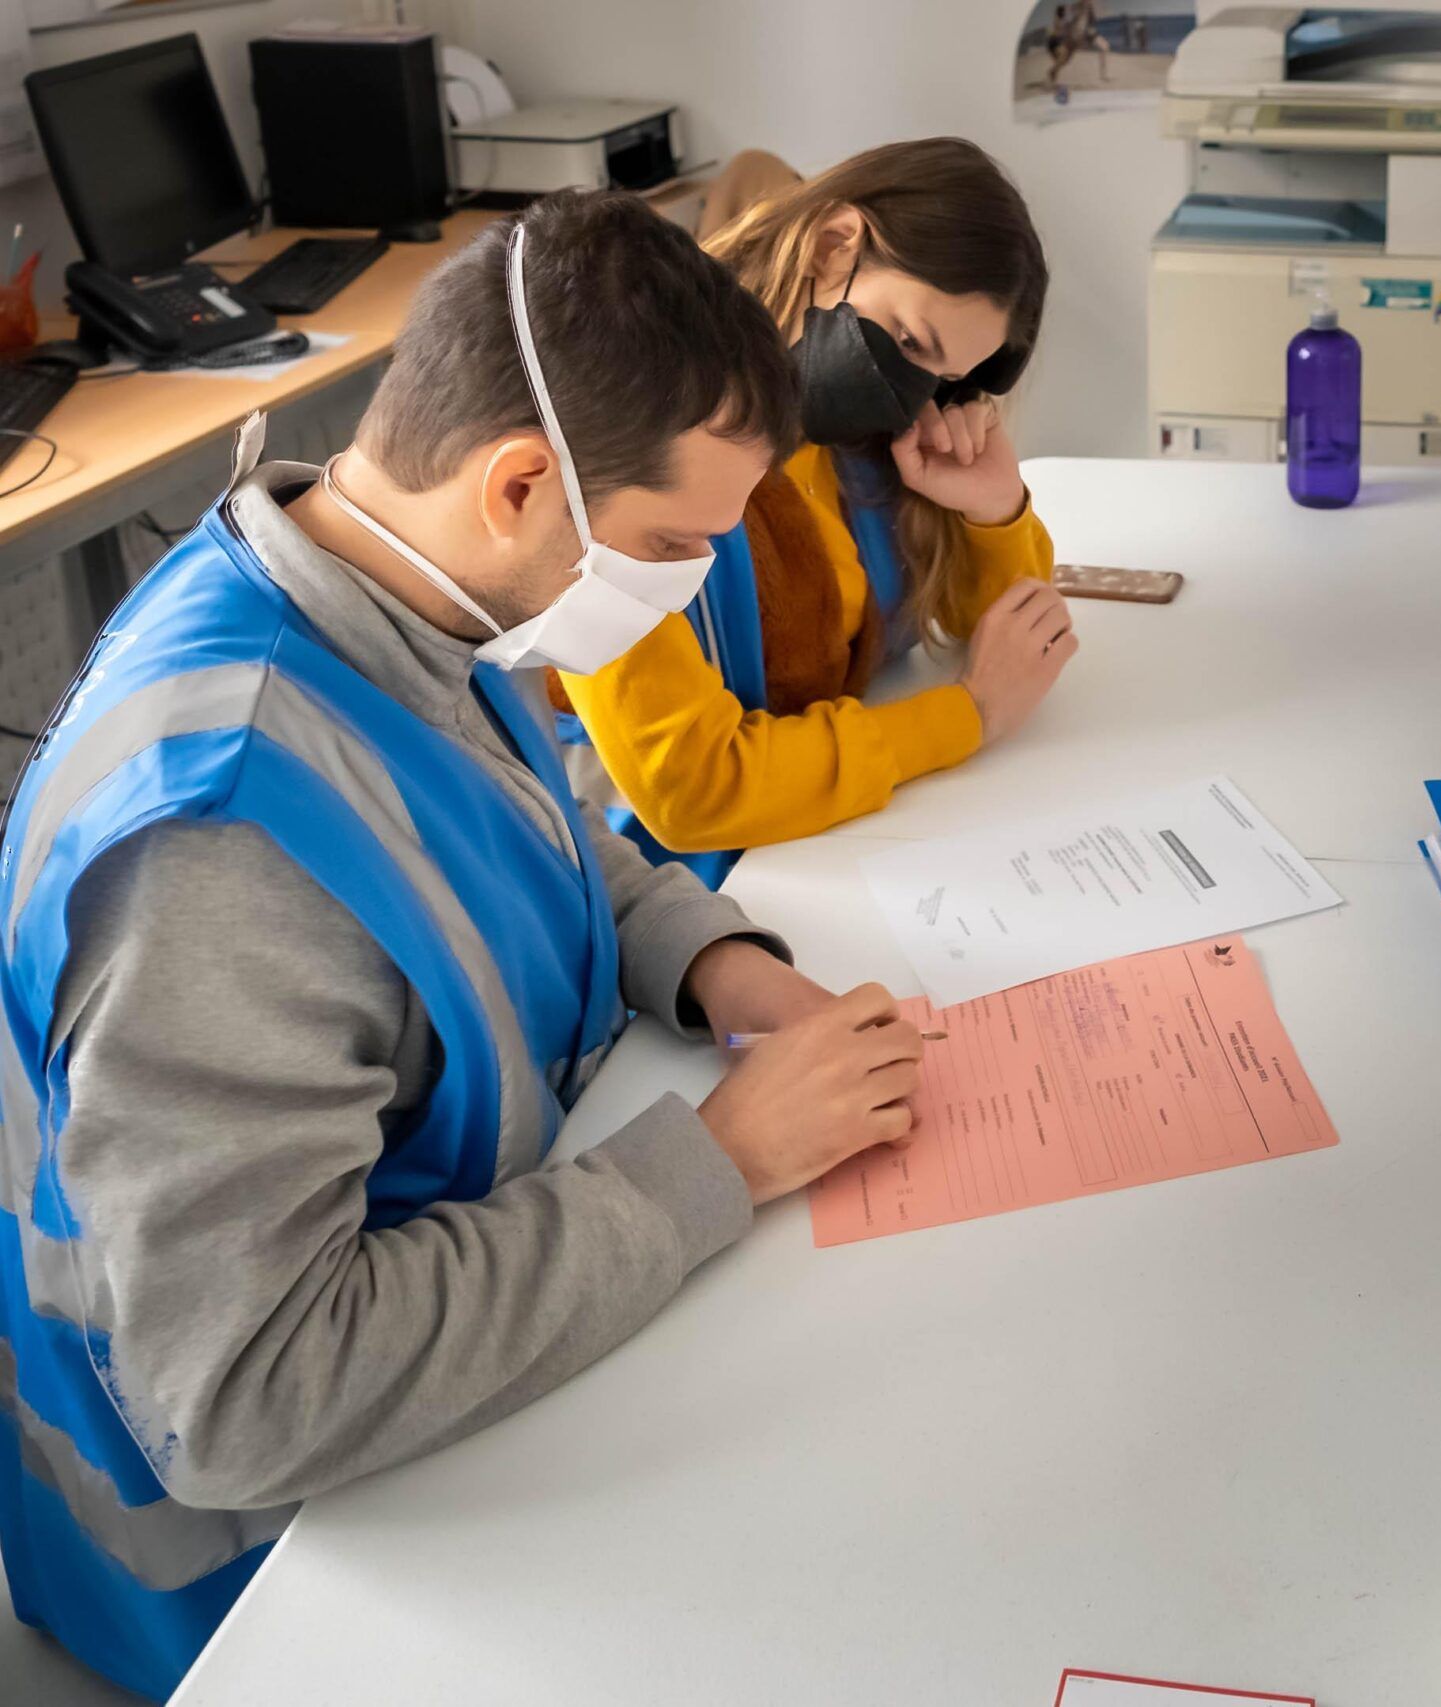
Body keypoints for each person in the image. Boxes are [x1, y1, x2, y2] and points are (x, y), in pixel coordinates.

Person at [0, 192, 929, 1701]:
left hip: (458, 1361)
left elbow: (544, 829)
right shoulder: (218, 847)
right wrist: (726, 1160)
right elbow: (252, 1390)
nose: (687, 582)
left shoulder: (391, 586)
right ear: (515, 485)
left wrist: (715, 959)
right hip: (270, 1577)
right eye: (670, 543)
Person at [554, 138, 1068, 886]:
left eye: (945, 378)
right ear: (833, 247)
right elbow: (692, 791)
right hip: (665, 890)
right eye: (908, 342)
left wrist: (993, 512)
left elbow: (1011, 641)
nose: (914, 393)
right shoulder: (636, 443)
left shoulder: (851, 428)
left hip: (820, 846)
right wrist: (968, 717)